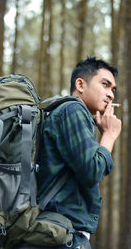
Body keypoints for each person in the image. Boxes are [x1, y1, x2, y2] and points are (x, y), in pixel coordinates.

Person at [15, 56, 121, 249]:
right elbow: (92, 171)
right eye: (105, 85)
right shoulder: (72, 109)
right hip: (62, 238)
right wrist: (109, 136)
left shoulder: (61, 112)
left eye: (113, 89)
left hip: (54, 233)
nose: (111, 94)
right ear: (80, 84)